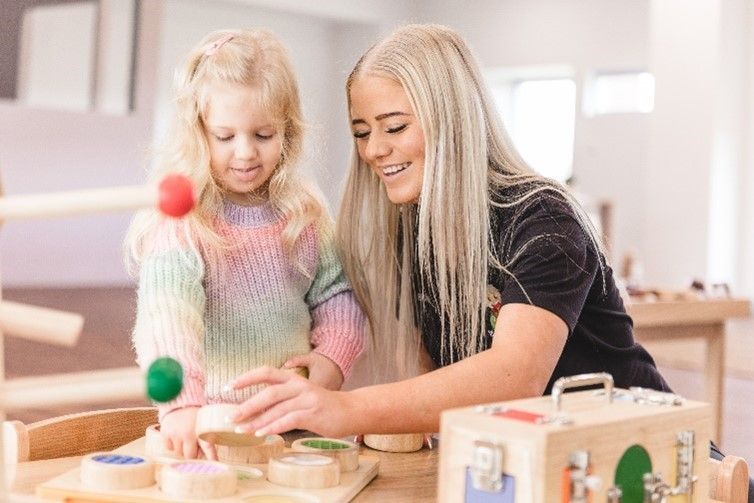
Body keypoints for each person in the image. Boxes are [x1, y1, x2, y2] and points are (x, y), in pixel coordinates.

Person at [125, 28, 365, 459]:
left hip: (294, 424)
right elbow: (168, 315)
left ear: (287, 131)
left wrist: (328, 364)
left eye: (263, 135)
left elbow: (338, 297)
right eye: (225, 136)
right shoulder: (183, 221)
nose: (245, 153)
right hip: (212, 429)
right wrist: (182, 406)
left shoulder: (304, 212)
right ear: (199, 133)